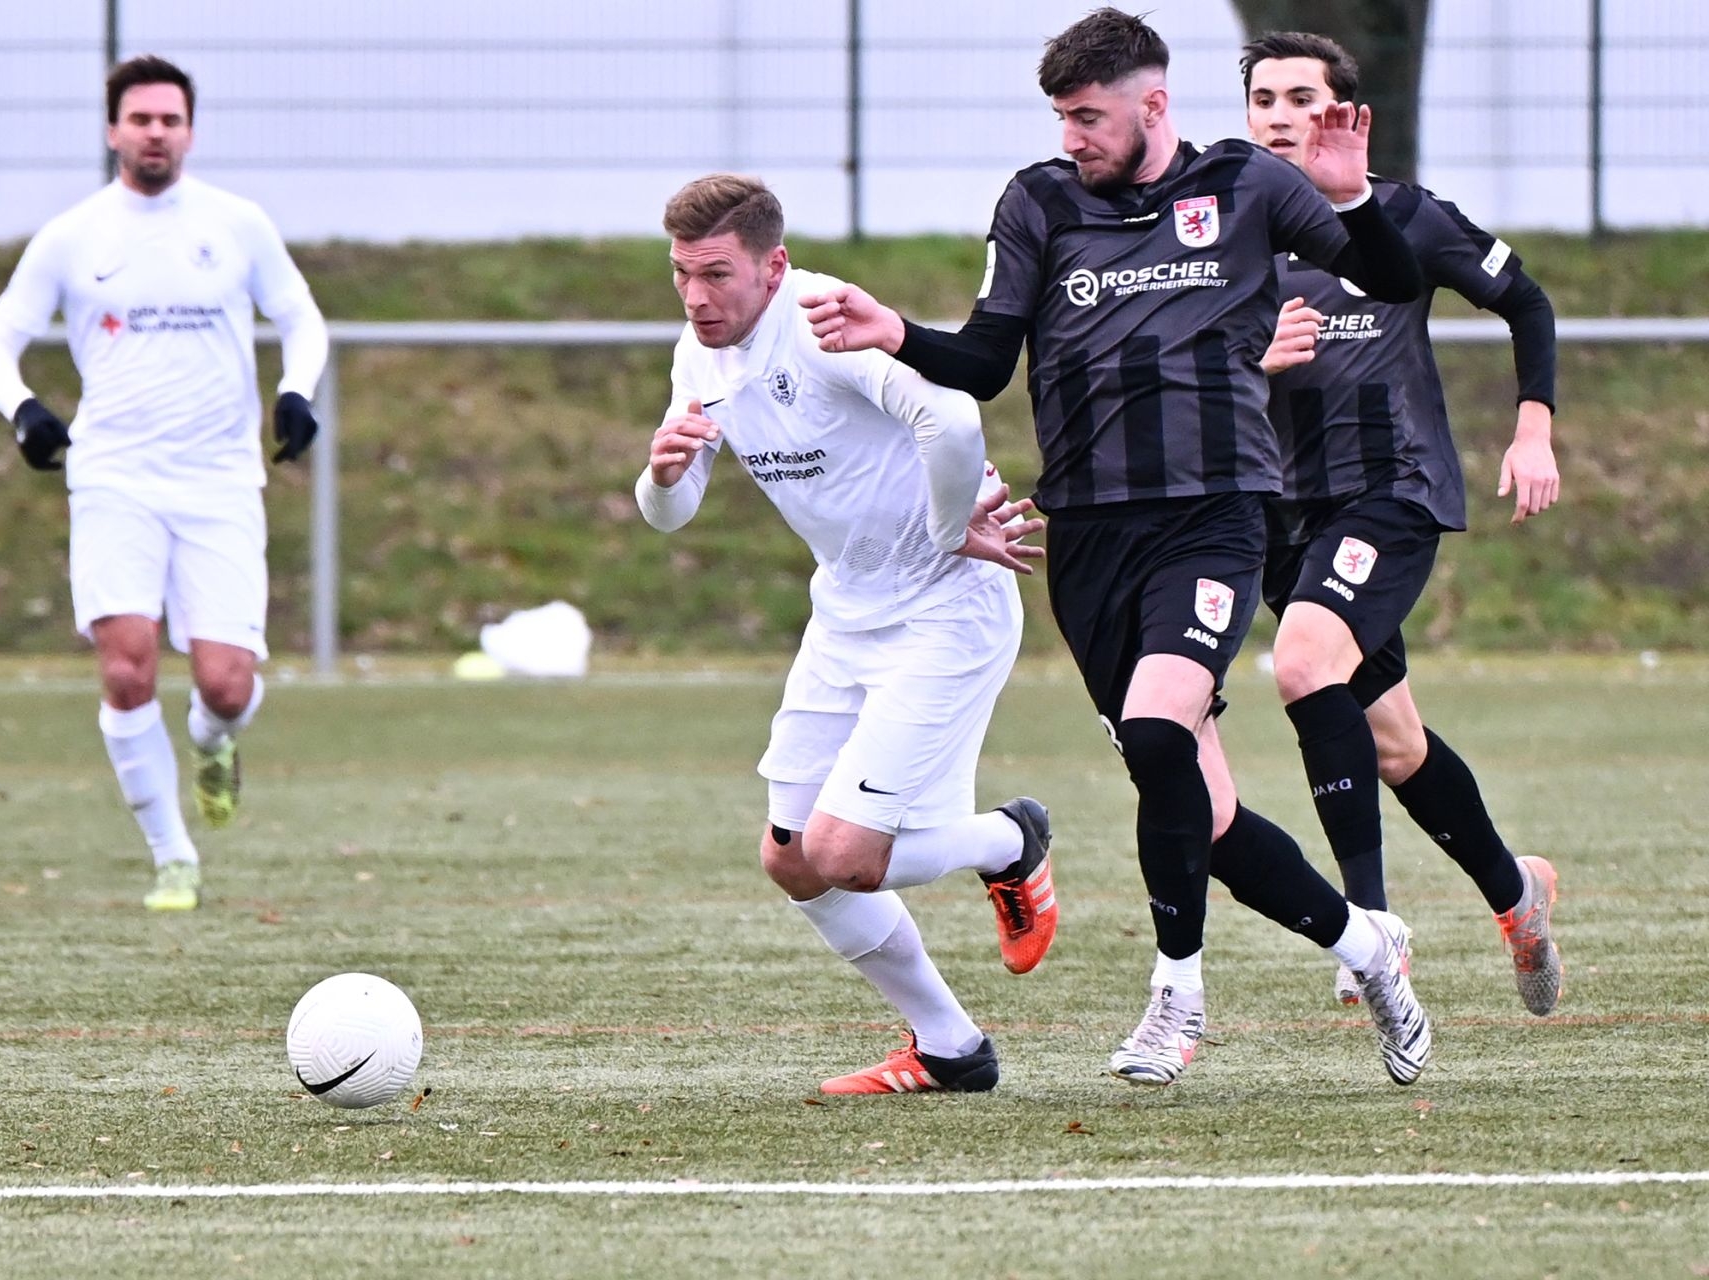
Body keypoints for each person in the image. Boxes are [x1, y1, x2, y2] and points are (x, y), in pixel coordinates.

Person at [801, 8, 1433, 1087]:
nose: (1072, 136)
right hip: (1088, 533)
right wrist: (892, 330)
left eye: (1088, 115)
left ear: (1152, 105)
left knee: (1154, 730)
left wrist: (1352, 192)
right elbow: (987, 359)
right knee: (1214, 816)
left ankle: (1175, 994)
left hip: (1215, 512)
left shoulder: (1245, 186)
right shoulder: (1039, 199)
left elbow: (1395, 278)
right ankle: (1366, 946)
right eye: (1060, 116)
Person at [636, 173, 1056, 1096]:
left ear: (773, 266)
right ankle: (951, 1047)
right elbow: (673, 513)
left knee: (843, 857)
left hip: (948, 605)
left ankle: (1008, 842)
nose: (698, 297)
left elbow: (948, 413)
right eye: (682, 274)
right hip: (849, 614)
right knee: (791, 858)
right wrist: (663, 477)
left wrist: (952, 529)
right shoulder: (697, 353)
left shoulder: (823, 319)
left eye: (717, 274)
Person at [1243, 31, 1563, 1014]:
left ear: (1346, 112)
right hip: (1283, 513)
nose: (1283, 114)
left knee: (1302, 663)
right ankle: (1519, 894)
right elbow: (1189, 374)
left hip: (1391, 491)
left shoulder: (1407, 216)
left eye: (1304, 96)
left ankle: (1368, 925)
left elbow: (1527, 300)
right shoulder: (1224, 236)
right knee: (1393, 742)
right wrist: (1255, 362)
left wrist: (1533, 429)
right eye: (1264, 99)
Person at [0, 55, 328, 912]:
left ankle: (214, 743)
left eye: (170, 119)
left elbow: (301, 318)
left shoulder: (235, 224)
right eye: (140, 119)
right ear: (112, 130)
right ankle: (174, 858)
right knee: (127, 673)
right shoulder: (71, 236)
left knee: (225, 686)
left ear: (190, 130)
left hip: (218, 480)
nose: (155, 132)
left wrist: (294, 393)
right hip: (115, 477)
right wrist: (26, 411)